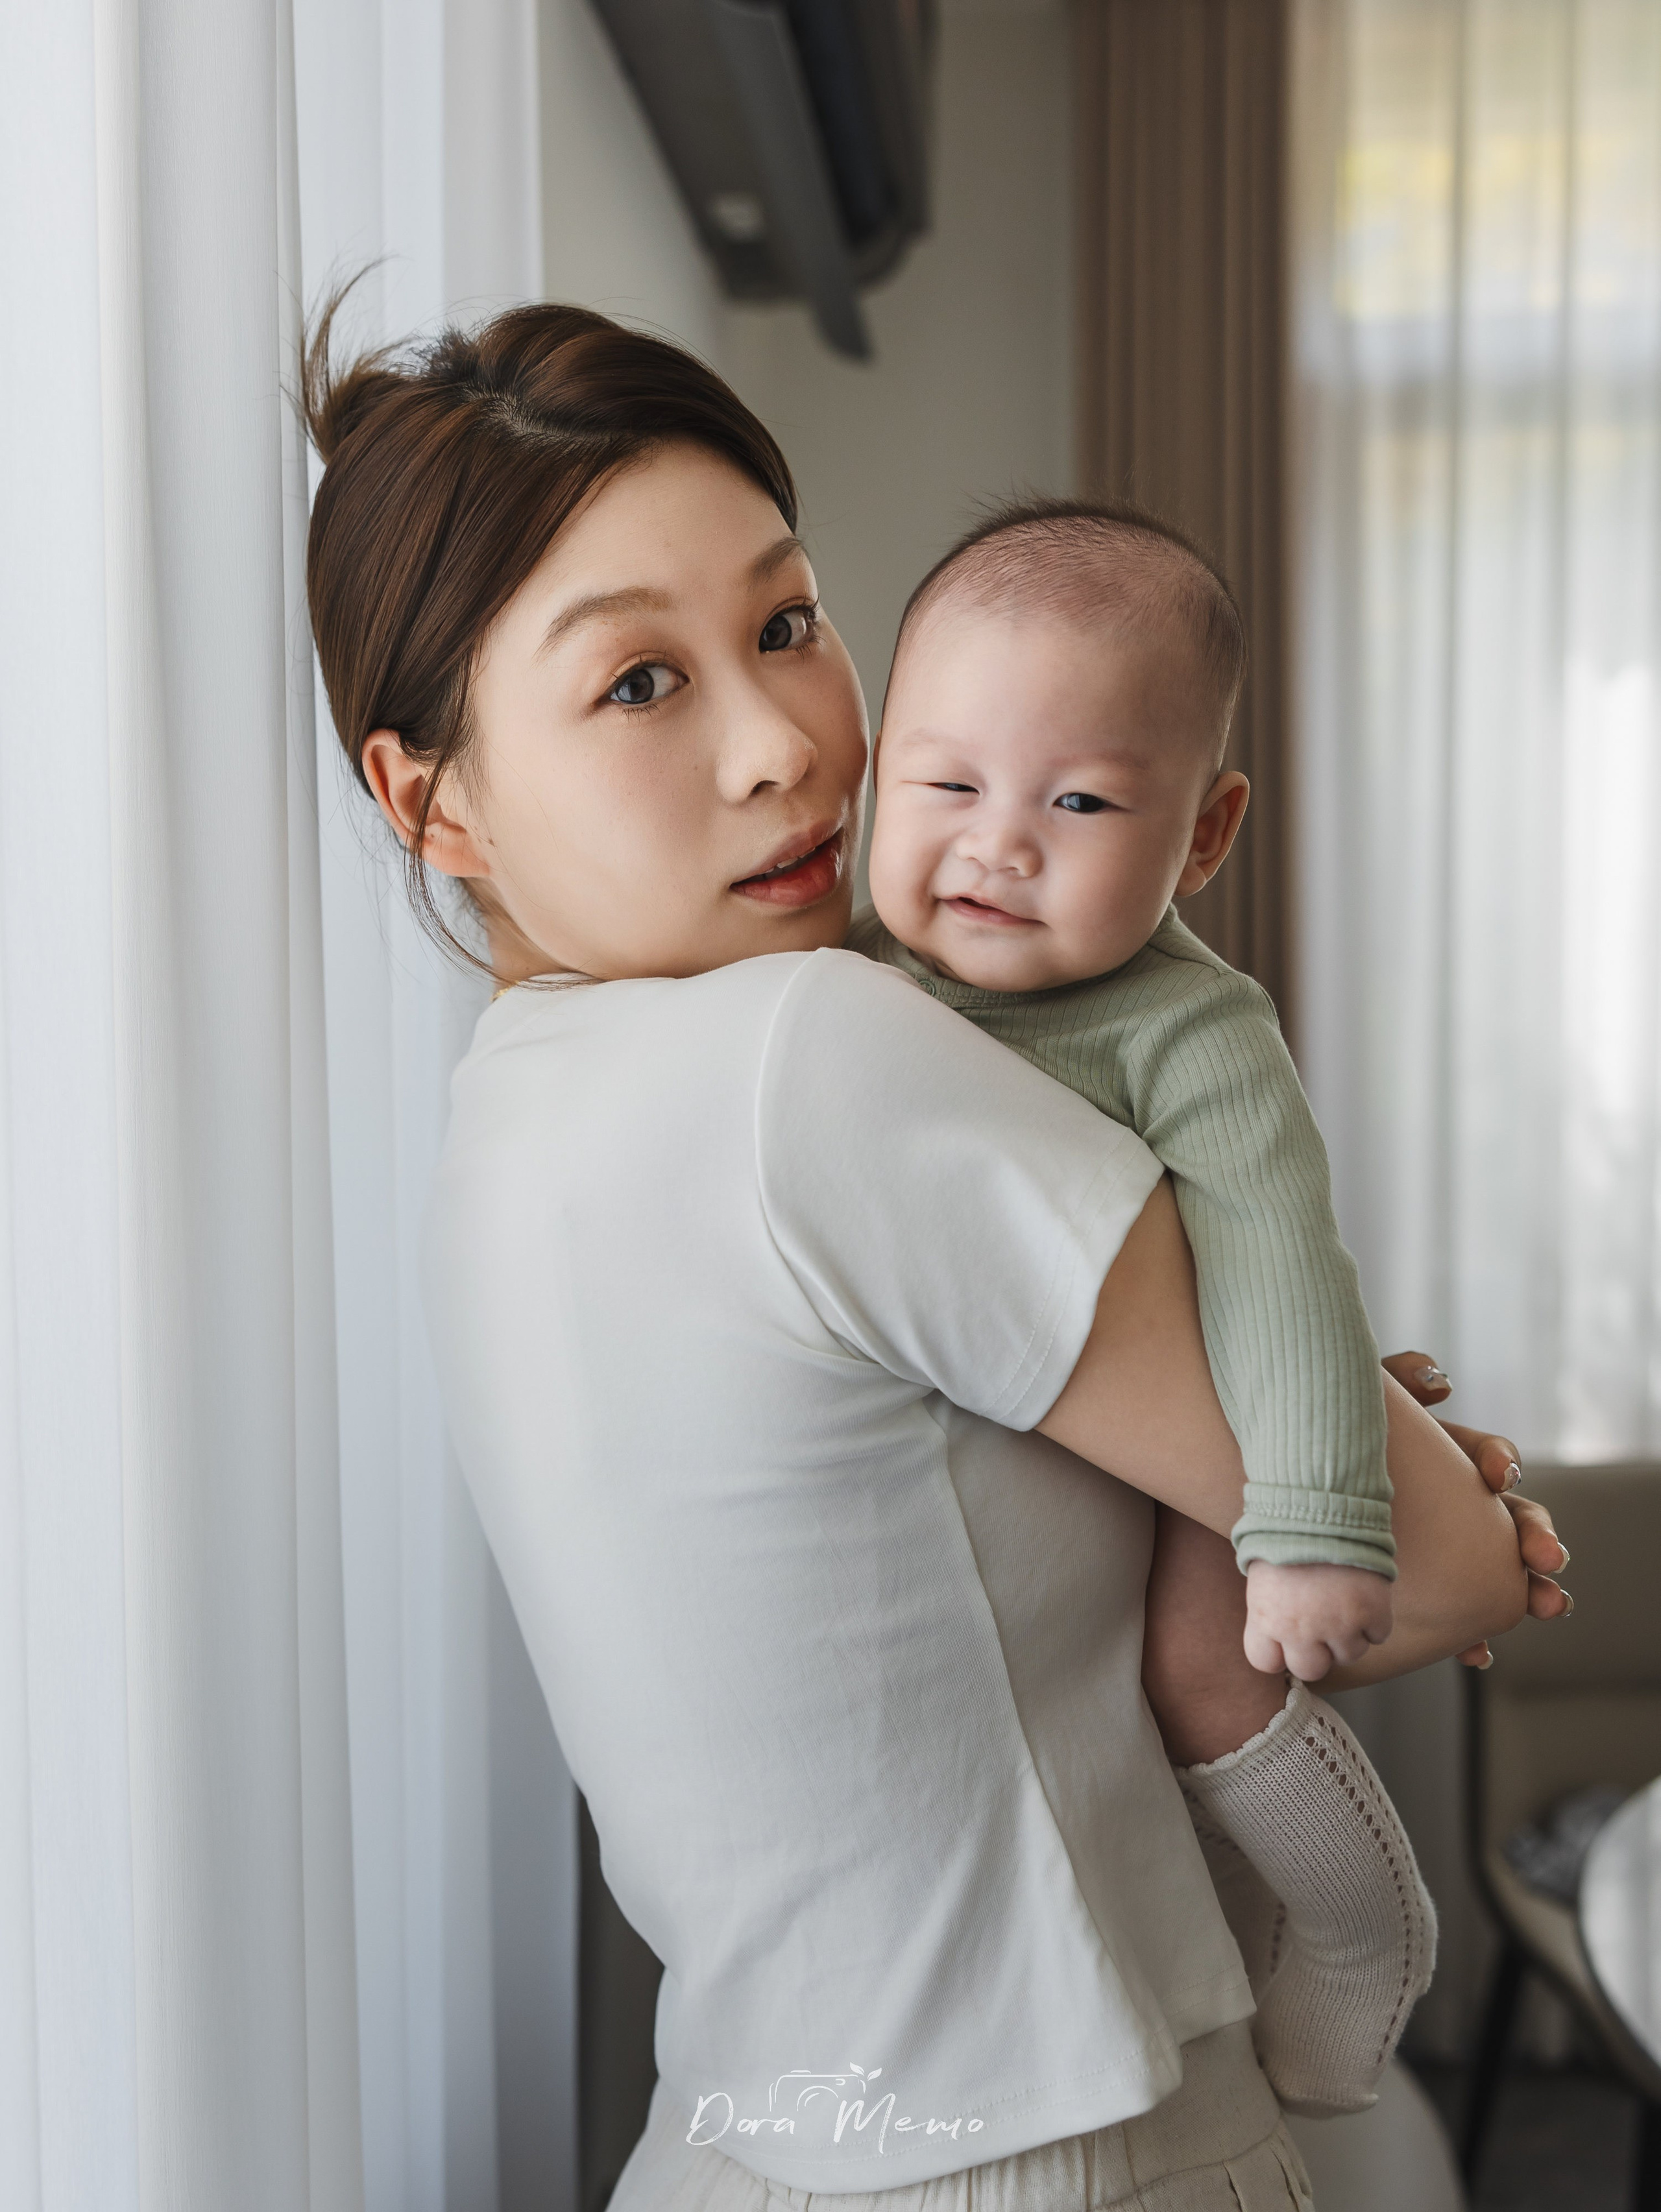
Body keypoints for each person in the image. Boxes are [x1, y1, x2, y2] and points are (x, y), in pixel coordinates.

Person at [300, 296, 1570, 2211]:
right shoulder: (813, 1058)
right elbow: (1444, 1572)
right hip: (1061, 2153)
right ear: (433, 799)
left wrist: (1244, 1425)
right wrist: (1372, 1465)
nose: (783, 747)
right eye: (640, 685)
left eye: (788, 625)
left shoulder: (511, 1114)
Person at [849, 496, 1431, 2113]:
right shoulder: (844, 986)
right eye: (944, 781)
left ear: (1201, 835)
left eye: (1080, 798)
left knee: (1203, 1673)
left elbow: (1276, 1252)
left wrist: (1314, 1512)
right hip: (996, 1462)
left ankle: (1359, 1925)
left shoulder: (1189, 1029)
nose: (995, 841)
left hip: (1173, 1440)